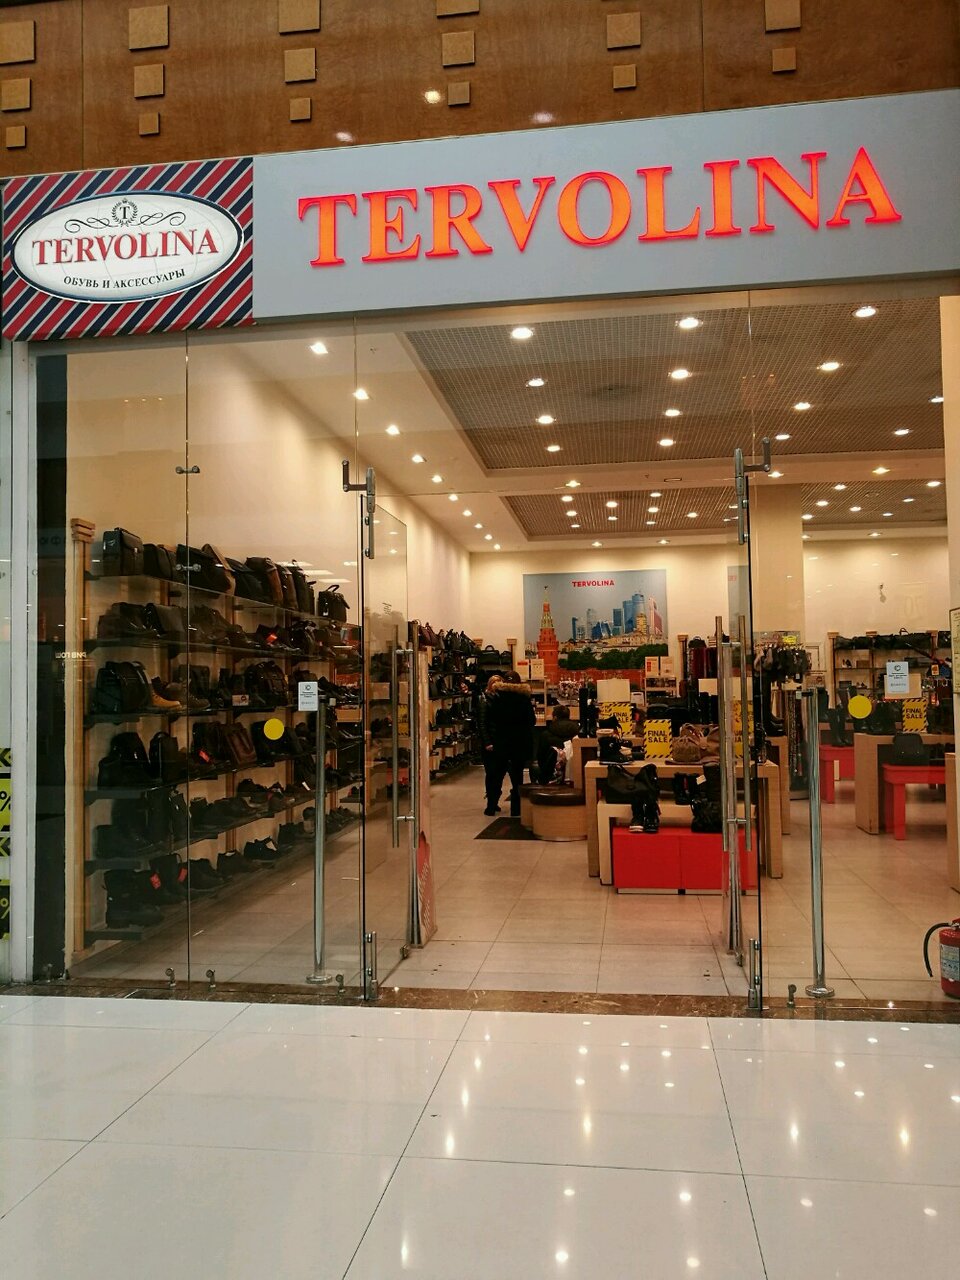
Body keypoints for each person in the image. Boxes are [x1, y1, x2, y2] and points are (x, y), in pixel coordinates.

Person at [486, 671, 536, 817]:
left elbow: (492, 719)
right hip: (519, 743)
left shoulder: (497, 698)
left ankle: (491, 807)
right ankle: (516, 809)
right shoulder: (524, 698)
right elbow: (531, 720)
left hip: (501, 742)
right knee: (517, 777)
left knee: (497, 775)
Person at [478, 673, 504, 816]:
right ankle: (491, 803)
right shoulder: (484, 699)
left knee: (499, 774)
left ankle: (495, 800)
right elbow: (482, 723)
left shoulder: (501, 699)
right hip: (489, 743)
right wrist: (487, 742)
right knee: (491, 774)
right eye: (494, 682)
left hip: (500, 741)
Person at [536, 704, 578, 784]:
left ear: (555, 718)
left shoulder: (545, 735)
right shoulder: (577, 733)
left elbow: (540, 757)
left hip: (550, 776)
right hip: (573, 775)